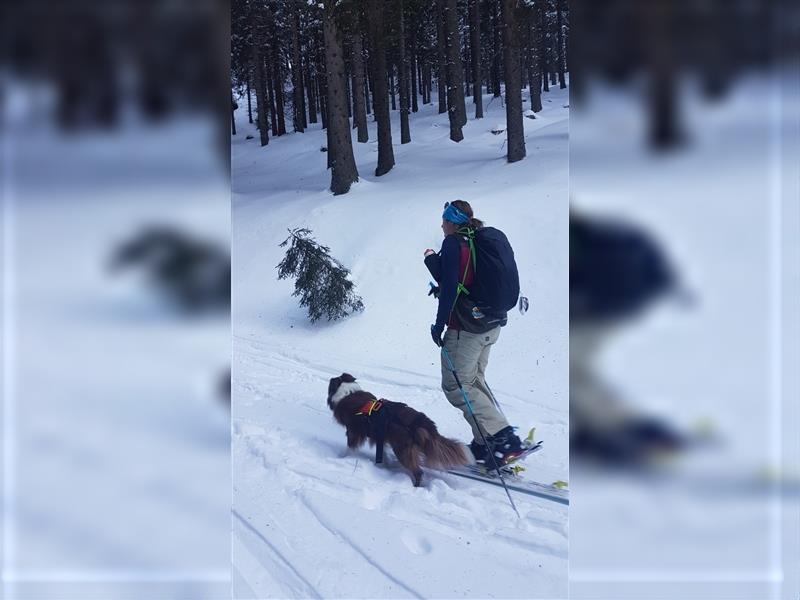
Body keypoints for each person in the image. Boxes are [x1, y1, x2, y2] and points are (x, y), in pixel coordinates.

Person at [424, 200, 524, 468]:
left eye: (444, 220)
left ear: (452, 221)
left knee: (457, 385)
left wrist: (438, 324)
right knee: (474, 380)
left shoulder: (454, 243)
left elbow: (450, 290)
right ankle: (486, 443)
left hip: (466, 329)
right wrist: (435, 264)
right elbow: (458, 279)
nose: (441, 225)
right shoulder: (479, 239)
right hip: (491, 325)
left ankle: (503, 438)